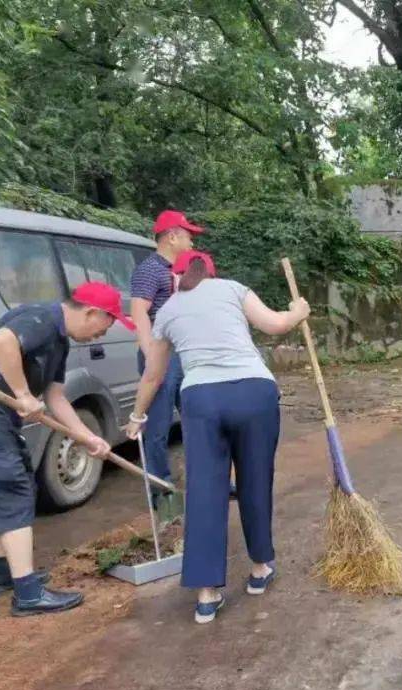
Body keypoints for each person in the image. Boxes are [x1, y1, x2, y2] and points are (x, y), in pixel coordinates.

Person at [126, 251, 310, 624]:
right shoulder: (232, 289)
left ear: (176, 278)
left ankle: (207, 596)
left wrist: (137, 416)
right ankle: (259, 569)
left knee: (206, 489)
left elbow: (153, 376)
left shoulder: (167, 311)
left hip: (203, 400)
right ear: (212, 271)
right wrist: (299, 311)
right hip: (254, 392)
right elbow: (275, 325)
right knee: (255, 479)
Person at [0, 282, 134, 616]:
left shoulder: (59, 341)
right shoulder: (41, 320)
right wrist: (21, 393)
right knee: (12, 494)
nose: (103, 334)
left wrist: (86, 436)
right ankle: (28, 595)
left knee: (20, 490)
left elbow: (56, 397)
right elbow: (1, 342)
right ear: (92, 313)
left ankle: (0, 574)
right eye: (108, 323)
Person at [129, 210, 202, 506]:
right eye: (187, 236)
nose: (191, 243)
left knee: (197, 419)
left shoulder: (185, 270)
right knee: (157, 428)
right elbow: (139, 314)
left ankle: (207, 477)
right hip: (160, 354)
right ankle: (161, 490)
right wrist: (151, 356)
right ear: (172, 236)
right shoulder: (150, 269)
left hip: (182, 353)